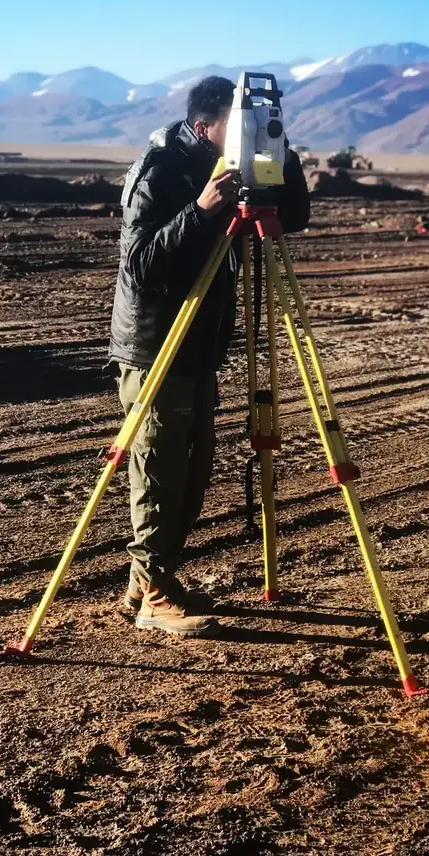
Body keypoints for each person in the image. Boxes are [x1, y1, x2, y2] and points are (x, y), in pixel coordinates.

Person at [108, 75, 310, 637]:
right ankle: (152, 591)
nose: (248, 133)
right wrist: (199, 212)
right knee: (160, 468)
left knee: (192, 472)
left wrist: (279, 155)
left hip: (200, 344)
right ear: (206, 125)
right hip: (155, 345)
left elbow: (292, 218)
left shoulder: (234, 169)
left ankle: (148, 580)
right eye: (240, 123)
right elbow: (141, 266)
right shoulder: (161, 170)